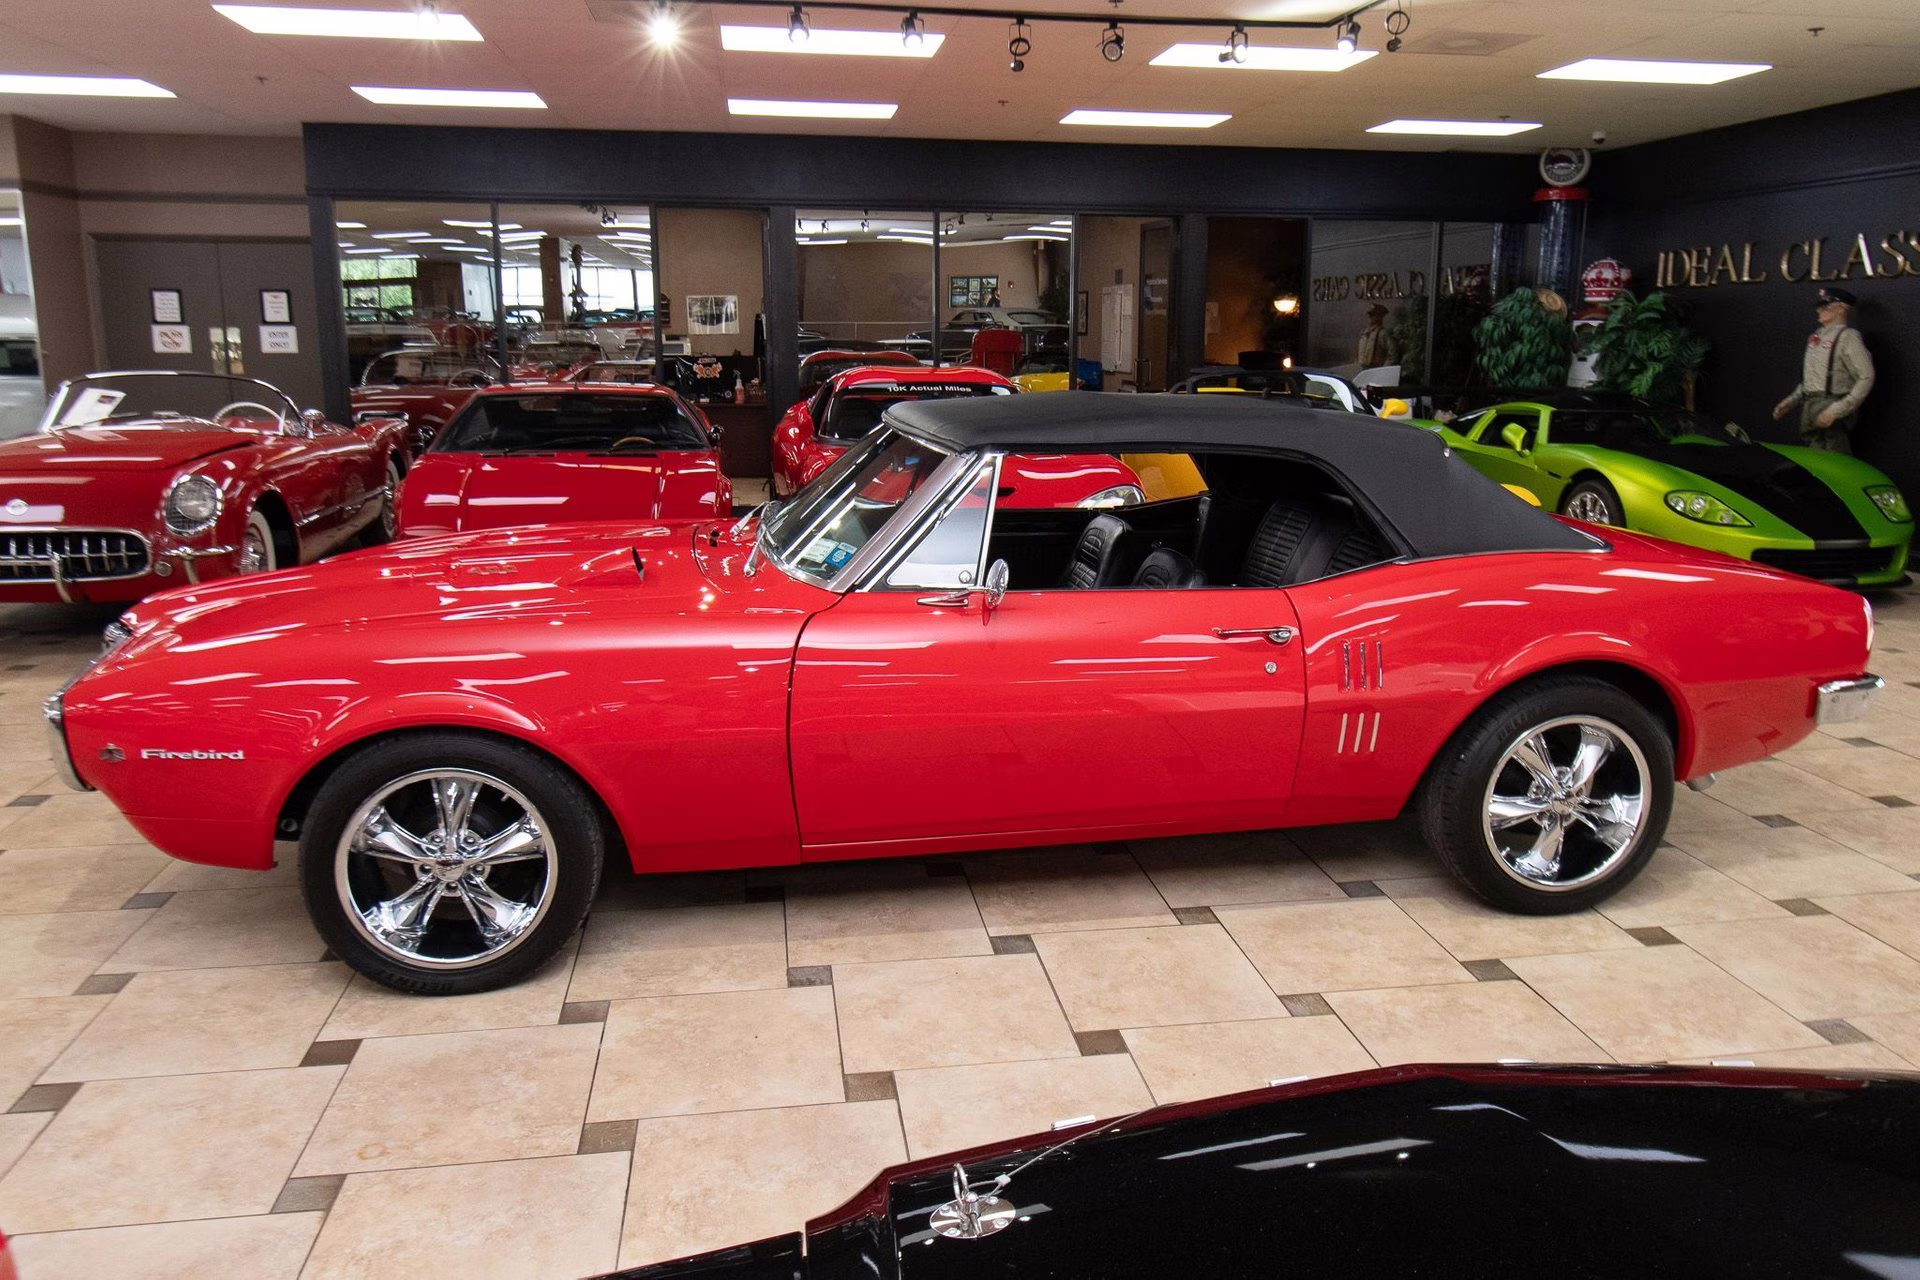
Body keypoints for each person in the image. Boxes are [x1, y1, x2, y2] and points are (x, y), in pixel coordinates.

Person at [1773, 286, 1875, 454]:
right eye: (1819, 306)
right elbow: (1811, 379)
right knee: (1814, 457)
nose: (1819, 310)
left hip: (1831, 405)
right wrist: (1791, 401)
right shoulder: (1816, 336)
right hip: (1810, 407)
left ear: (1842, 308)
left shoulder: (1848, 337)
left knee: (1835, 456)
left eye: (1826, 306)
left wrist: (1838, 409)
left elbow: (1866, 376)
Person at [1357, 303, 1397, 368]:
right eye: (1370, 315)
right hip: (1363, 370)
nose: (1370, 317)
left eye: (1374, 315)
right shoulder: (1364, 333)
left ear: (1380, 317)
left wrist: (1384, 369)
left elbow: (1392, 354)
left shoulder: (1383, 333)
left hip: (1376, 369)